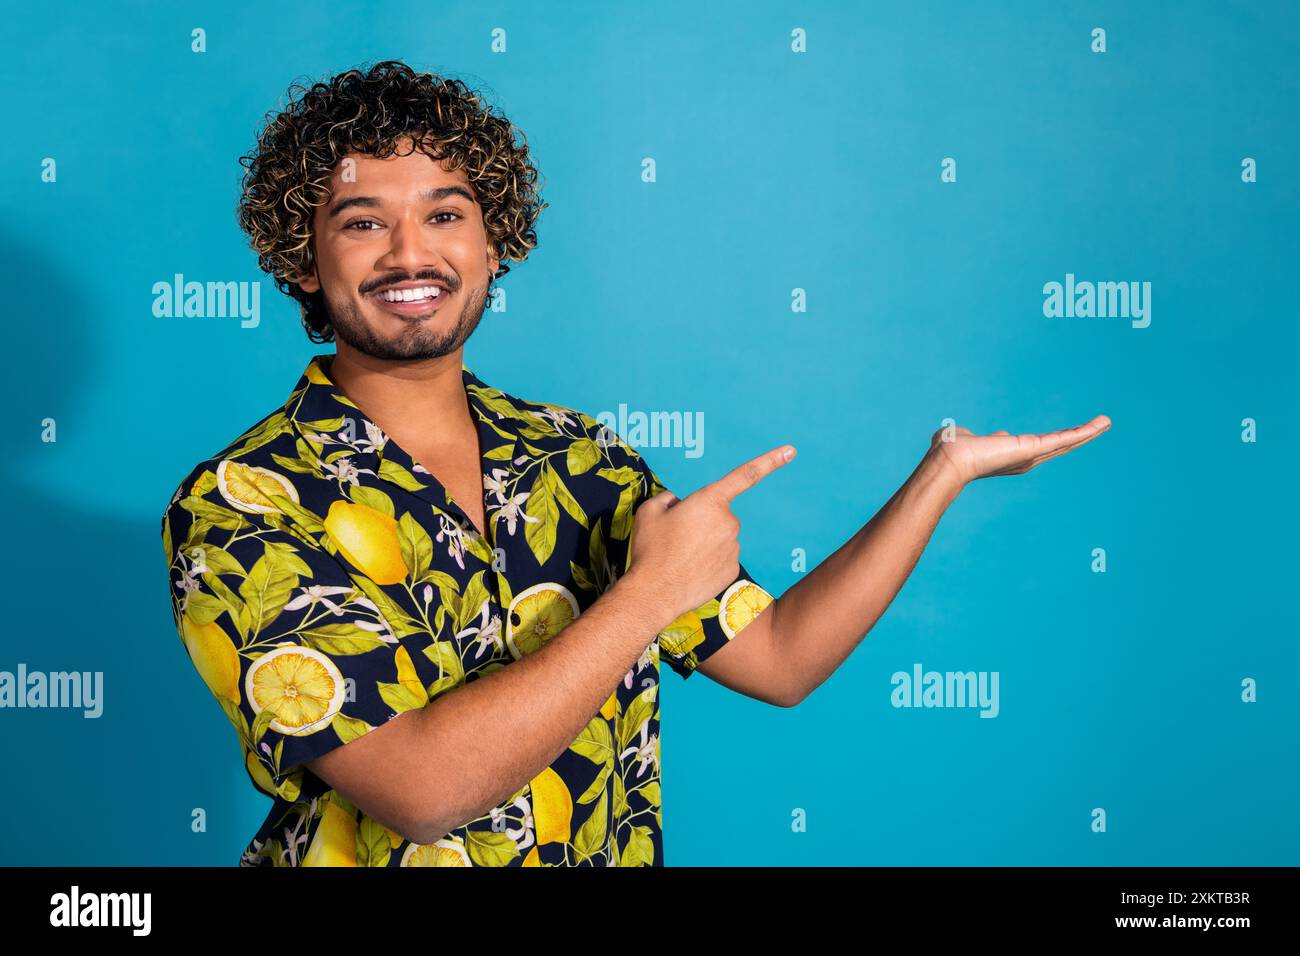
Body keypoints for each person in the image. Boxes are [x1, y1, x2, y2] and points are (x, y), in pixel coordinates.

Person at [161, 59, 1109, 867]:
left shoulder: (581, 459)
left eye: (445, 213)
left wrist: (940, 475)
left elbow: (780, 659)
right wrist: (650, 595)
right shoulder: (240, 504)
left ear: (495, 243)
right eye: (362, 221)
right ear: (304, 254)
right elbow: (422, 790)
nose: (413, 253)